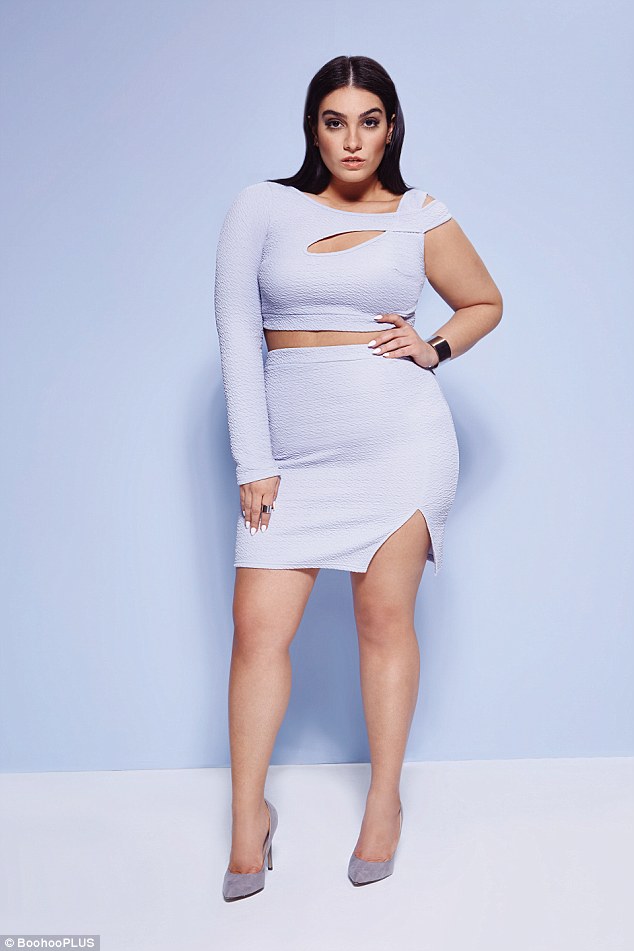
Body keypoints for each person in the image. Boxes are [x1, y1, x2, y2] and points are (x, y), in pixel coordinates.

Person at [214, 54, 503, 901]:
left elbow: (484, 302)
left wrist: (435, 346)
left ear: (390, 128)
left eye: (369, 121)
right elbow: (236, 330)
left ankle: (385, 801)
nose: (352, 139)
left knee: (383, 622)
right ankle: (247, 819)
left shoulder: (418, 215)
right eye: (335, 121)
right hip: (290, 458)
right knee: (256, 632)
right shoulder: (261, 206)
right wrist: (254, 461)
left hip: (400, 444)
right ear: (313, 129)